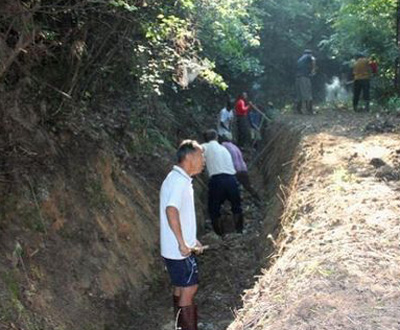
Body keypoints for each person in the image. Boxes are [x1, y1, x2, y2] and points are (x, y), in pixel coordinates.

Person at [160, 140, 205, 330]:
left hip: (173, 248)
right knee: (190, 287)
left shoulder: (176, 178)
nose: (203, 161)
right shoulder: (179, 181)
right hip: (179, 250)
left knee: (180, 286)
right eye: (200, 156)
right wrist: (182, 243)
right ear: (188, 157)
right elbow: (171, 210)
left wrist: (192, 240)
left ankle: (179, 325)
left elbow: (181, 214)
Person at [202, 129, 243, 236]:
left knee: (214, 209)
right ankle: (239, 231)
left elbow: (194, 152)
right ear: (216, 138)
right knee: (236, 206)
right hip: (231, 179)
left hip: (217, 180)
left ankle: (219, 234)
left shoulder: (205, 147)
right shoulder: (223, 149)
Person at [220, 135, 261, 202]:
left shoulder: (223, 146)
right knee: (247, 185)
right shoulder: (234, 146)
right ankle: (257, 198)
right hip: (243, 168)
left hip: (235, 169)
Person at [295, 49, 316, 114]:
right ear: (309, 53)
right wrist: (313, 70)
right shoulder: (308, 56)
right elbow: (313, 59)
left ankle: (298, 110)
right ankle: (309, 110)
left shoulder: (300, 59)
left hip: (297, 78)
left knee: (299, 95)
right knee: (307, 93)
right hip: (304, 77)